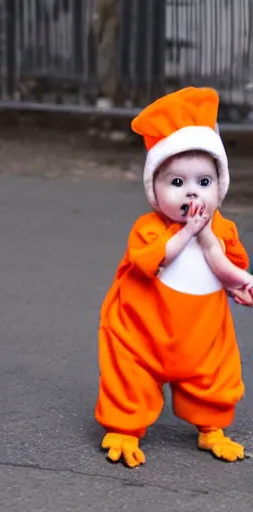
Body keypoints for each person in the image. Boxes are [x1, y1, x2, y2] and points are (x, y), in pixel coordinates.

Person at [94, 86, 253, 468]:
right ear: (155, 189)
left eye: (203, 181)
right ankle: (124, 427)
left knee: (216, 373)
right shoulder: (150, 228)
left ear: (220, 186)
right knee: (130, 373)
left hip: (200, 333)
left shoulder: (222, 229)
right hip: (144, 330)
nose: (191, 194)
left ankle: (211, 428)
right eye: (176, 183)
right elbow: (151, 259)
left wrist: (240, 281)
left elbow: (224, 264)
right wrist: (187, 232)